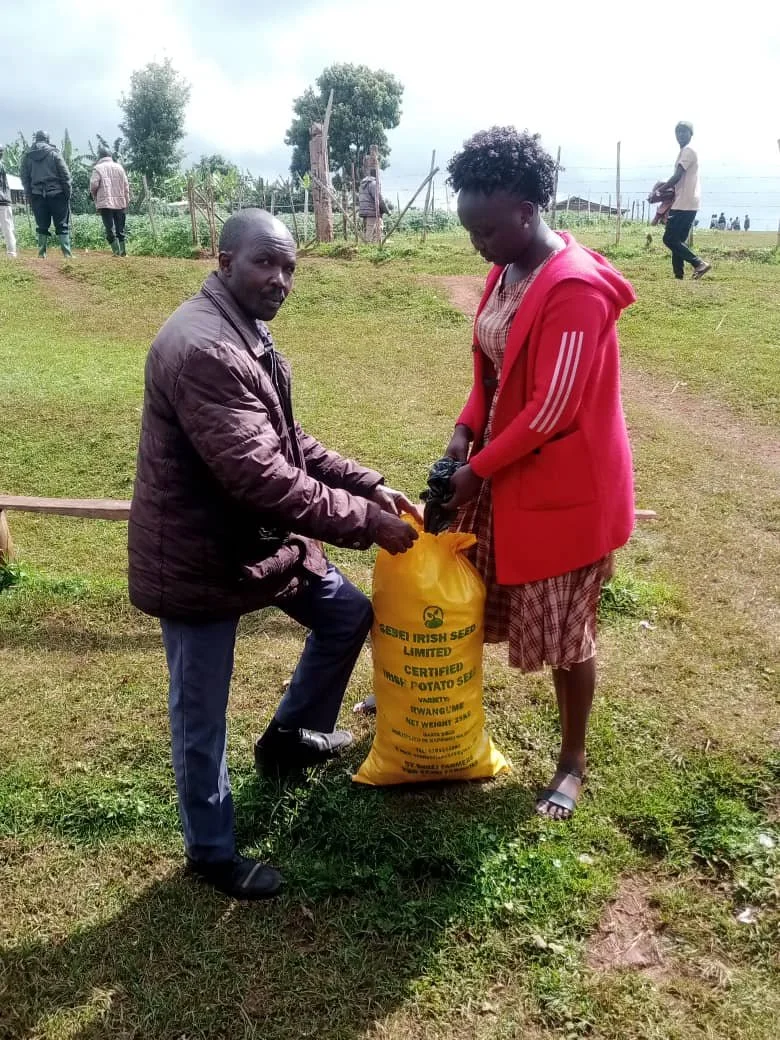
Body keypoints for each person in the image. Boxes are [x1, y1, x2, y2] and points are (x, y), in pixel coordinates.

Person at [128, 209, 419, 899]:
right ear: (223, 258)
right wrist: (368, 523)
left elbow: (289, 442)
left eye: (289, 267)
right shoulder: (205, 348)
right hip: (200, 557)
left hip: (255, 543)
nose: (281, 279)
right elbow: (262, 477)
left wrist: (368, 483)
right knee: (200, 713)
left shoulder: (243, 332)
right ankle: (211, 852)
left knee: (346, 614)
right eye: (267, 263)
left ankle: (289, 741)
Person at [442, 127, 636, 821]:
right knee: (461, 583)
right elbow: (491, 376)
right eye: (470, 232)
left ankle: (573, 761)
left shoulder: (575, 288)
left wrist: (478, 469)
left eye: (486, 229)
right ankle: (427, 694)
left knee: (565, 631)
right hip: (504, 467)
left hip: (561, 488)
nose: (478, 247)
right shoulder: (506, 270)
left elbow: (552, 410)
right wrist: (464, 434)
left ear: (527, 209)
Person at [656, 121, 710, 279]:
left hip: (684, 203)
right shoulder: (685, 152)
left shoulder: (688, 151)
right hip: (690, 202)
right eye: (678, 132)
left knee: (669, 238)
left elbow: (677, 175)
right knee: (678, 241)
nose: (680, 135)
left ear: (690, 134)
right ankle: (678, 276)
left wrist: (660, 190)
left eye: (684, 132)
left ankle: (699, 263)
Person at [20, 131, 72, 258]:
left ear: (36, 139)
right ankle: (67, 254)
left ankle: (41, 254)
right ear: (47, 139)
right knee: (62, 224)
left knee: (41, 224)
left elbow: (25, 178)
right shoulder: (54, 153)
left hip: (37, 195)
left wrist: (29, 194)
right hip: (57, 194)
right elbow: (65, 175)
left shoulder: (27, 157)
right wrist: (68, 193)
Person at [90, 146, 130, 255]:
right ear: (110, 155)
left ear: (100, 156)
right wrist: (126, 200)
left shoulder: (98, 168)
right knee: (120, 228)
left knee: (109, 228)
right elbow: (126, 186)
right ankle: (123, 252)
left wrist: (95, 197)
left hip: (105, 204)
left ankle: (116, 252)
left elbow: (93, 185)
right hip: (120, 202)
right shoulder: (119, 167)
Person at [358, 169, 389, 243]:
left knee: (368, 232)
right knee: (374, 233)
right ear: (377, 175)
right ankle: (374, 248)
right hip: (372, 211)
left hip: (364, 212)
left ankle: (370, 248)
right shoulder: (373, 184)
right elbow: (379, 199)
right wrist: (387, 210)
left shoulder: (363, 184)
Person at [0, 146, 17, 258]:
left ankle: (11, 253)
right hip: (4, 201)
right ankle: (11, 254)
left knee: (7, 228)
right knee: (8, 228)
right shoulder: (2, 165)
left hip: (3, 200)